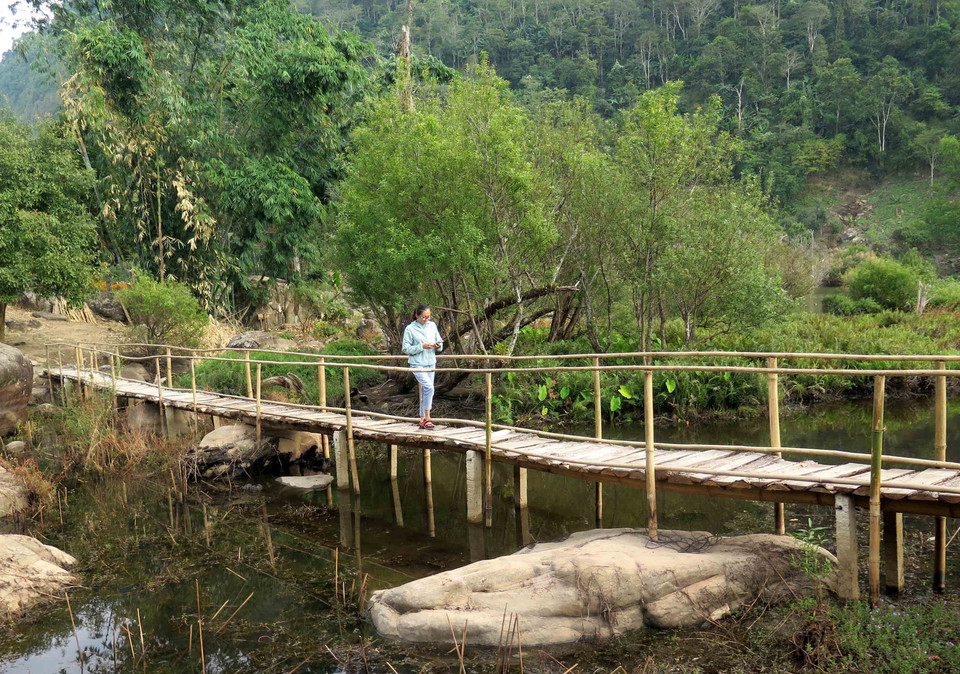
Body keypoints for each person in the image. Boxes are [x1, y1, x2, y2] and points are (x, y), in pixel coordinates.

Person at [402, 304, 444, 429]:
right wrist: (421, 346)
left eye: (428, 317)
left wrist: (437, 345)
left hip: (431, 362)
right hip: (417, 363)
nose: (426, 320)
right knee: (429, 387)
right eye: (424, 317)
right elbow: (406, 348)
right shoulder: (410, 329)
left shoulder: (432, 326)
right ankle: (428, 418)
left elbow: (440, 341)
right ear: (417, 315)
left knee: (427, 390)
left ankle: (422, 419)